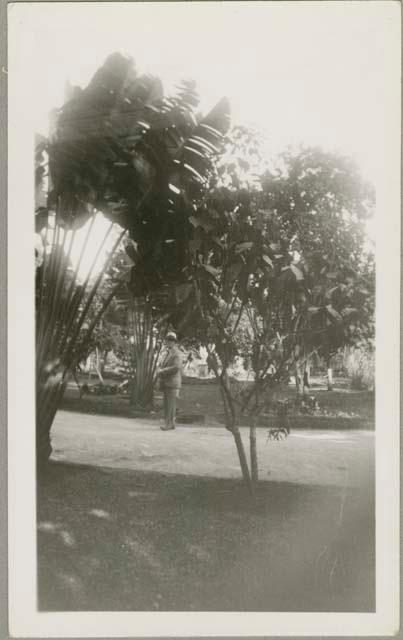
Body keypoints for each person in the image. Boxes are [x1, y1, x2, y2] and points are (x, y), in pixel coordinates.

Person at [157, 332, 182, 431]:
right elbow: (162, 364)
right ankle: (169, 423)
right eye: (168, 340)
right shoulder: (167, 353)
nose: (169, 342)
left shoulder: (177, 353)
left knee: (171, 404)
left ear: (174, 342)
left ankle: (169, 424)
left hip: (173, 382)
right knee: (167, 404)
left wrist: (162, 370)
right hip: (167, 382)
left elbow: (176, 367)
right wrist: (159, 368)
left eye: (171, 340)